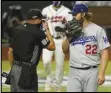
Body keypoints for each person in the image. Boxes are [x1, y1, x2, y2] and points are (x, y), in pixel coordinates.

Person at [62, 4, 110, 92]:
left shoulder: (97, 30)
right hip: (74, 71)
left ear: (83, 14)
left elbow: (104, 52)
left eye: (75, 14)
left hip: (91, 72)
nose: (73, 17)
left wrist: (102, 73)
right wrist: (68, 37)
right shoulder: (72, 29)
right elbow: (64, 50)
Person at [7, 9, 55, 92]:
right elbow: (52, 46)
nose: (41, 21)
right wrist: (46, 29)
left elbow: (10, 52)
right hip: (27, 71)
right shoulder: (38, 33)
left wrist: (14, 69)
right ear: (35, 20)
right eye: (40, 19)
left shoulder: (17, 29)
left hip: (14, 68)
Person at [42, 1, 73, 92]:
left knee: (60, 64)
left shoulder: (67, 11)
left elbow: (72, 26)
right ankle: (49, 79)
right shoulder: (45, 10)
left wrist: (64, 29)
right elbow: (42, 25)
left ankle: (58, 84)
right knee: (46, 60)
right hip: (48, 38)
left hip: (61, 39)